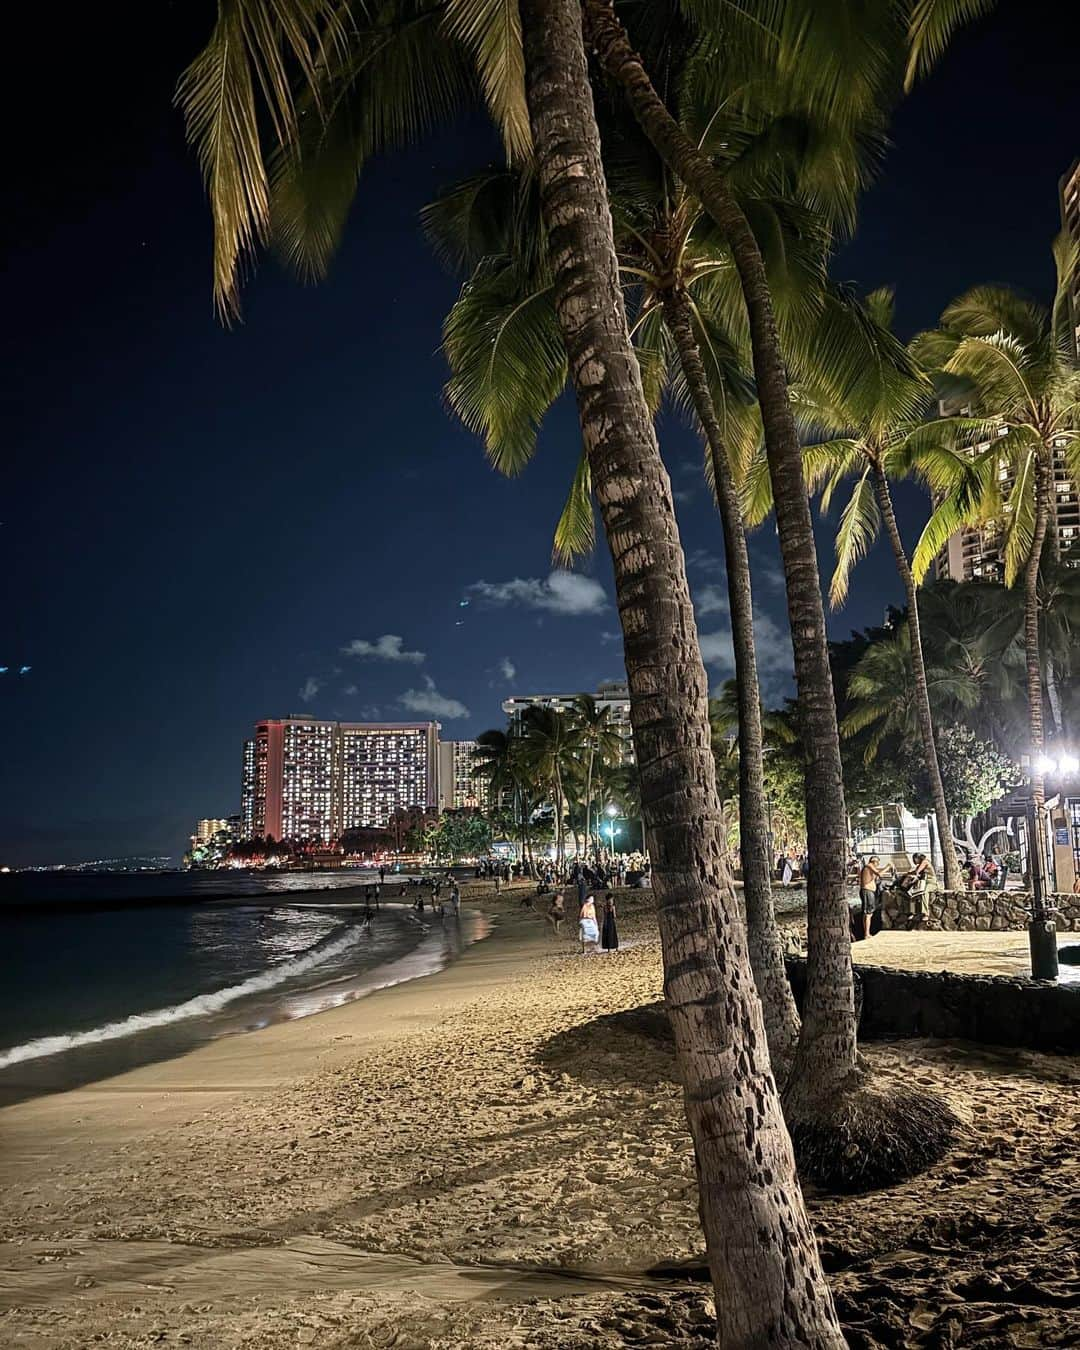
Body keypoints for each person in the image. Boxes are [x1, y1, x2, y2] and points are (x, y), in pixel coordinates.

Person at [857, 856, 891, 940]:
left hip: (869, 891)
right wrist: (888, 867)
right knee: (868, 913)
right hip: (867, 891)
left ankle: (867, 933)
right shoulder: (869, 865)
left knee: (869, 913)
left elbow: (877, 876)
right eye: (878, 863)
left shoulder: (870, 869)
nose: (877, 865)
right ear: (874, 861)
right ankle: (866, 933)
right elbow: (879, 874)